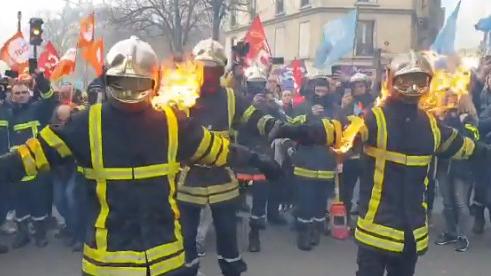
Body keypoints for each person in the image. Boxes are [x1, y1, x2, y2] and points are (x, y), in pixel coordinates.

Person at [0, 36, 280, 276]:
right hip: (158, 260)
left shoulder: (85, 123)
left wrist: (257, 159)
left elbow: (25, 159)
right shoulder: (168, 122)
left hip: (115, 262)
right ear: (155, 80)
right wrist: (258, 159)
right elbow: (219, 151)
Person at [271, 51, 487, 276]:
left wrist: (485, 152)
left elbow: (467, 148)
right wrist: (298, 130)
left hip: (409, 236)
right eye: (406, 81)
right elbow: (338, 131)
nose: (413, 88)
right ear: (393, 81)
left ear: (428, 83)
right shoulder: (377, 118)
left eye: (418, 81)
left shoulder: (432, 126)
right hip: (376, 233)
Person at [176, 39, 281, 276]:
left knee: (227, 238)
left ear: (220, 71)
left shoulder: (232, 98)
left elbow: (256, 118)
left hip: (222, 179)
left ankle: (231, 270)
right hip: (187, 180)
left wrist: (278, 126)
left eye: (213, 70)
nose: (208, 75)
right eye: (204, 69)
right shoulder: (181, 96)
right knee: (186, 241)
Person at [234, 64, 287, 253]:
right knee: (234, 199)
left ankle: (254, 235)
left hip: (263, 157)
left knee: (259, 201)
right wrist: (252, 106)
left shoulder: (271, 104)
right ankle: (231, 232)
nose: (257, 89)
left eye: (260, 84)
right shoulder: (240, 103)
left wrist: (272, 106)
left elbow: (282, 123)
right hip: (242, 156)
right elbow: (236, 126)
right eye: (253, 84)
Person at [290, 75, 342, 251]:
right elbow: (291, 128)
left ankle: (315, 231)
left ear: (328, 92)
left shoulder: (335, 109)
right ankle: (303, 233)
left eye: (323, 90)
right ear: (312, 90)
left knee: (320, 201)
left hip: (326, 162)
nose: (320, 94)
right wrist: (308, 116)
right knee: (306, 200)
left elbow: (342, 132)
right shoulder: (302, 107)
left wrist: (339, 155)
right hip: (305, 161)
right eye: (317, 90)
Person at [9, 73, 57, 248]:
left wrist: (43, 83)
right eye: (17, 93)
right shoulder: (7, 112)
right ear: (11, 95)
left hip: (37, 164)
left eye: (24, 92)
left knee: (39, 199)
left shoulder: (38, 109)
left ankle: (40, 234)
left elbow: (51, 99)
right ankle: (23, 234)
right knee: (19, 200)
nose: (21, 96)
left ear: (29, 93)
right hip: (15, 165)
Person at [434, 93, 478, 253]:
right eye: (447, 98)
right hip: (444, 166)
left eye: (453, 98)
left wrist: (454, 121)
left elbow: (468, 140)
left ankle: (463, 236)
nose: (449, 101)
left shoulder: (469, 119)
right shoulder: (441, 118)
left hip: (462, 168)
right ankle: (452, 232)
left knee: (460, 203)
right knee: (447, 203)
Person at [339, 73, 374, 221]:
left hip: (369, 153)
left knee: (367, 189)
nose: (358, 89)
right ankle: (344, 218)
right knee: (346, 189)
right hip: (350, 154)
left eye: (361, 86)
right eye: (355, 86)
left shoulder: (375, 105)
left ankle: (364, 219)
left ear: (366, 87)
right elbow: (340, 123)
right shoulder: (348, 105)